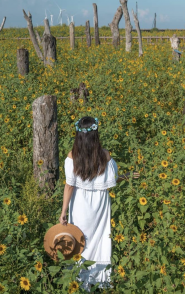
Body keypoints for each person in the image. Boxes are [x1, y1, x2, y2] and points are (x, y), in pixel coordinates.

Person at [59, 116, 140, 292]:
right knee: (100, 237)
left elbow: (69, 185)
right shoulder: (104, 154)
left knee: (80, 238)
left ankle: (80, 279)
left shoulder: (73, 155)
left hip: (79, 202)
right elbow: (109, 181)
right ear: (95, 134)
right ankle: (99, 280)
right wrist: (125, 176)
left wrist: (63, 212)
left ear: (78, 135)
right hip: (100, 203)